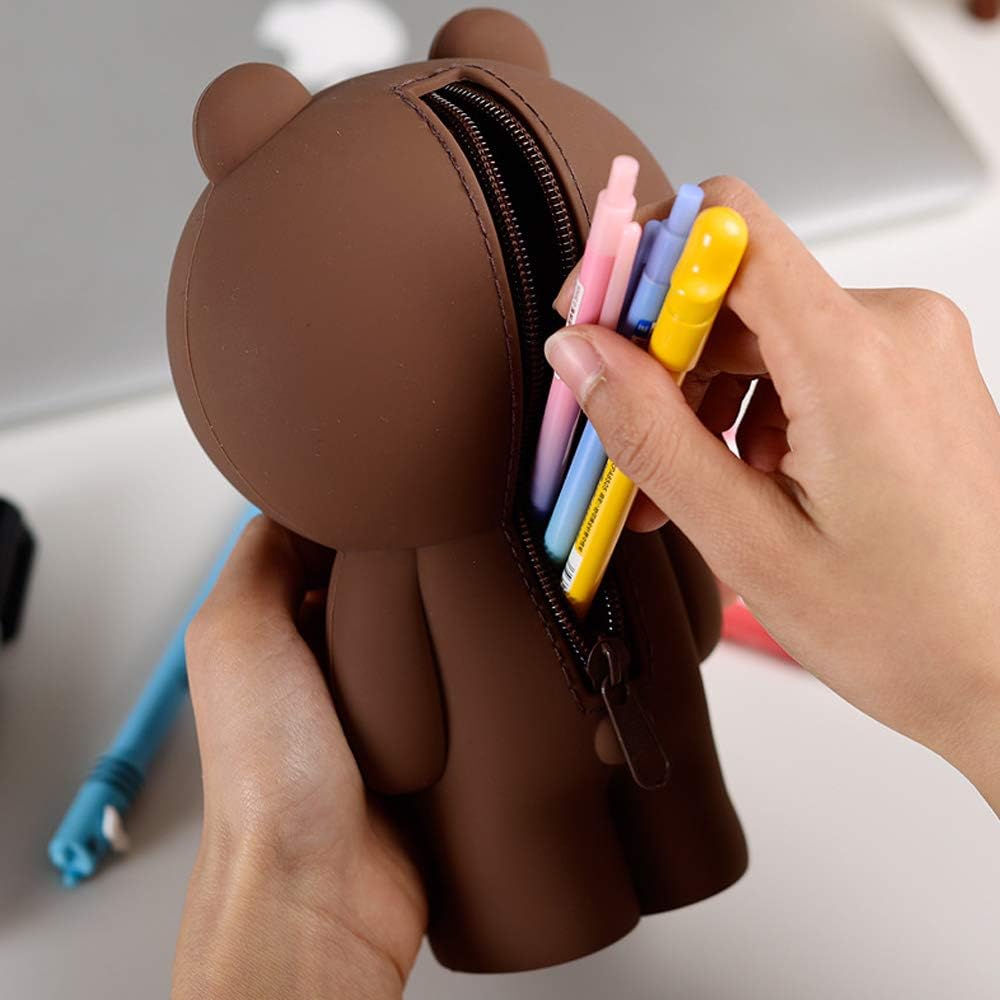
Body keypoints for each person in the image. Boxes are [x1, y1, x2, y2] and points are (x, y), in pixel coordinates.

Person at [170, 178, 1000, 999]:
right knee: (560, 867)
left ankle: (629, 880)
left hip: (606, 743)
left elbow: (401, 740)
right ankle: (582, 901)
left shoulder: (635, 490)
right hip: (548, 770)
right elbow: (694, 616)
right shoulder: (397, 569)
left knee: (607, 840)